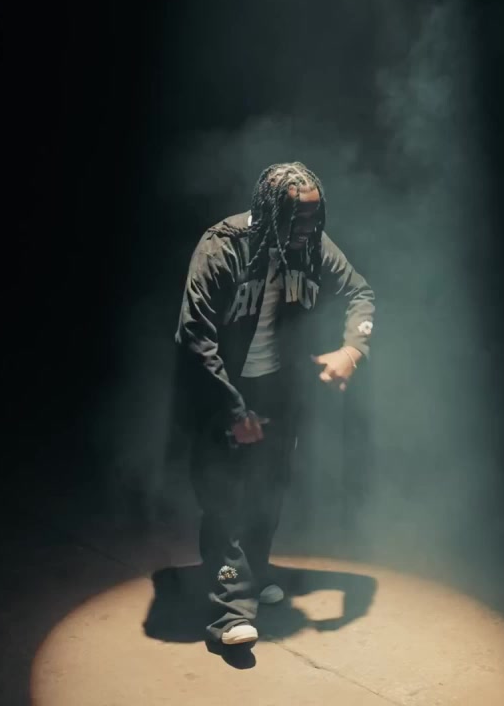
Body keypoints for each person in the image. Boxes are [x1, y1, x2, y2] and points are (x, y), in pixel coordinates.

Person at [172, 161, 376, 647]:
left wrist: (352, 350)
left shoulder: (312, 245)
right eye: (296, 218)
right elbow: (195, 338)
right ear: (266, 213)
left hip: (278, 393)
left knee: (268, 490)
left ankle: (254, 573)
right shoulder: (222, 247)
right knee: (224, 501)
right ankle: (229, 612)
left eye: (313, 216)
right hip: (222, 390)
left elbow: (360, 293)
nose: (307, 227)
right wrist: (232, 411)